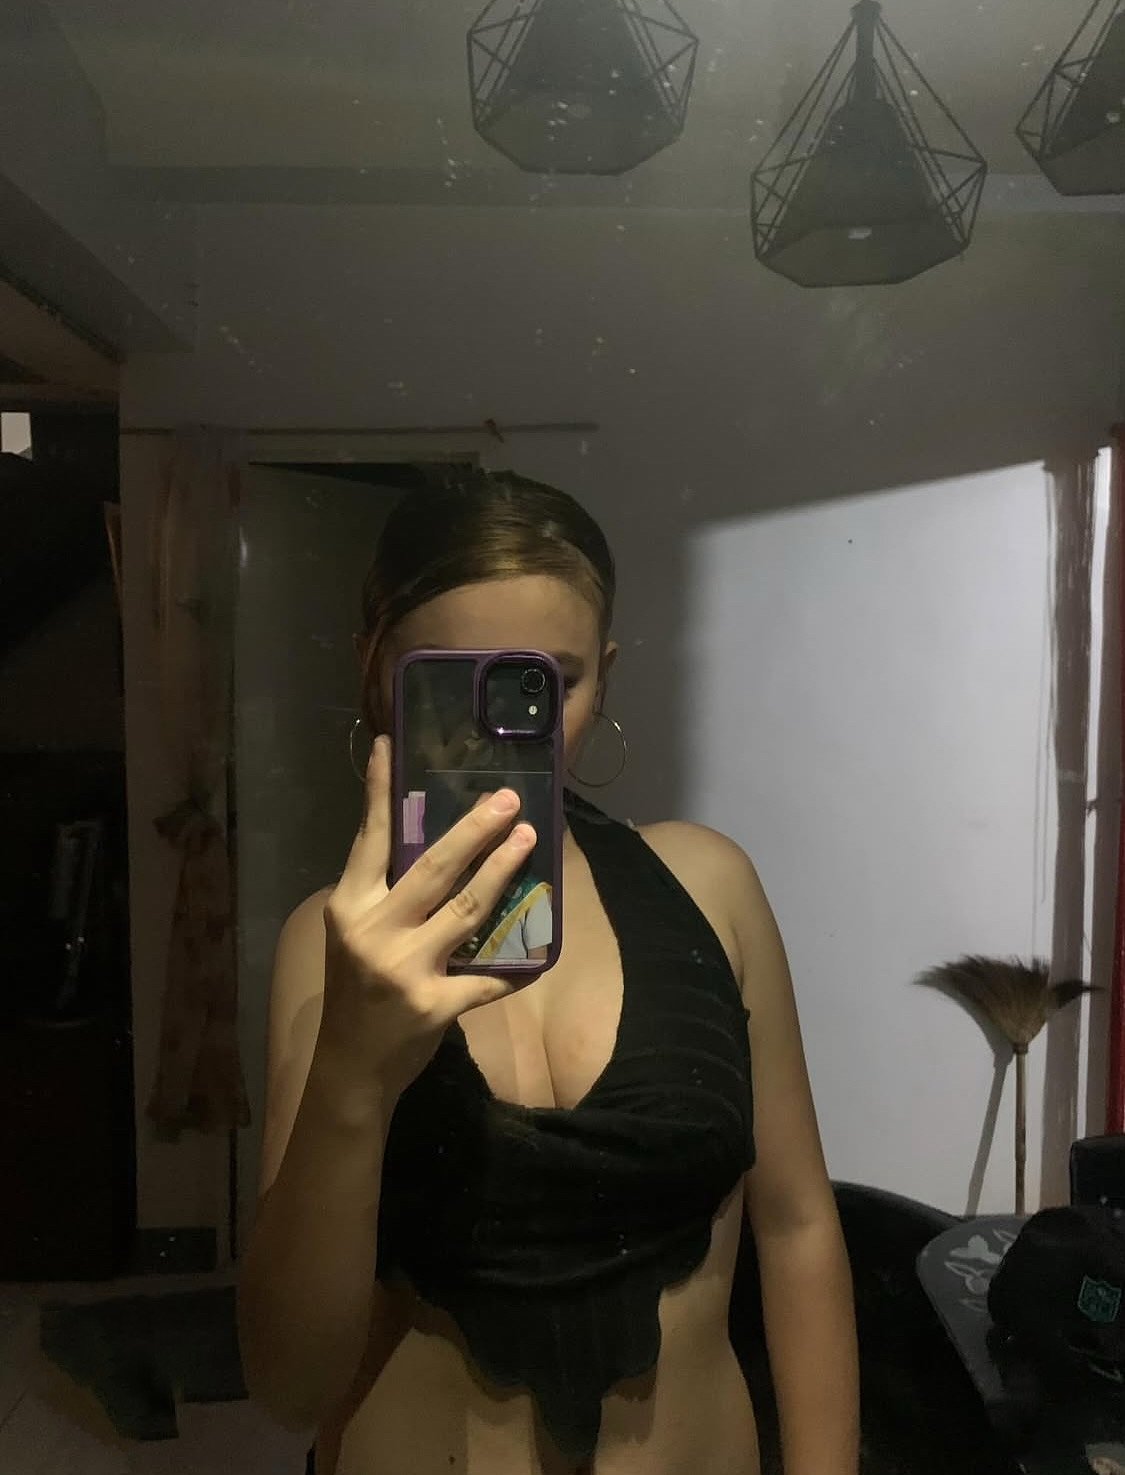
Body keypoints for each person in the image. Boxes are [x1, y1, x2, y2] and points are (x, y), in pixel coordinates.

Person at [236, 468, 860, 1475]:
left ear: (601, 678)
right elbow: (287, 1382)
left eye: (543, 686)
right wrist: (351, 1069)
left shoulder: (710, 886)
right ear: (375, 671)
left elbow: (796, 1225)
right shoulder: (328, 945)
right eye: (452, 681)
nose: (498, 733)